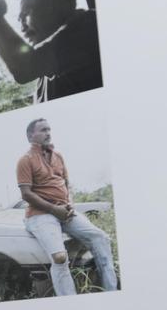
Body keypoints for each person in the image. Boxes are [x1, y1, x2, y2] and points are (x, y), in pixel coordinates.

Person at [17, 118, 118, 296]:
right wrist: (55, 210)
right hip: (40, 215)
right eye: (42, 130)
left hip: (64, 211)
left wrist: (69, 204)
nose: (48, 133)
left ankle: (111, 292)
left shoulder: (58, 156)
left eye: (49, 129)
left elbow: (66, 183)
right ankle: (70, 303)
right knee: (59, 258)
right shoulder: (25, 160)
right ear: (30, 135)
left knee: (101, 238)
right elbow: (26, 194)